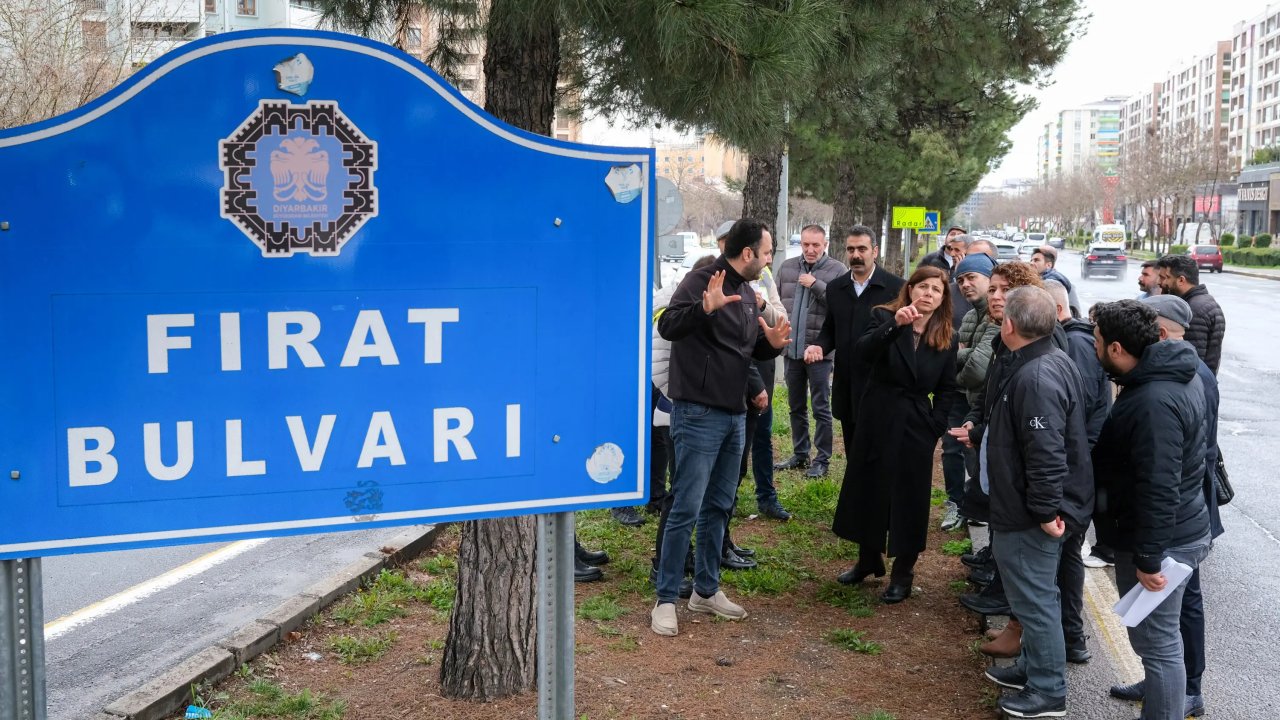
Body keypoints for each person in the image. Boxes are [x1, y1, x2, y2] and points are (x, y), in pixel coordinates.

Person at [651, 218, 791, 637]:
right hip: (698, 413)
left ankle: (706, 591)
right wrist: (703, 308)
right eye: (766, 253)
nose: (769, 261)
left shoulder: (750, 293)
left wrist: (772, 344)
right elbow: (668, 325)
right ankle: (666, 598)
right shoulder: (704, 278)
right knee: (686, 506)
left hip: (734, 415)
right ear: (747, 253)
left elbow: (743, 349)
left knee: (720, 505)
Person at [1091, 300, 1213, 720]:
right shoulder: (1172, 374)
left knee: (1159, 644)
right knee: (1156, 641)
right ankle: (1159, 695)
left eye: (1098, 339)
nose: (1093, 345)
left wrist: (1148, 556)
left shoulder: (1153, 401)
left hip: (1164, 539)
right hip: (1179, 528)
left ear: (1118, 348)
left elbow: (1159, 485)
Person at [978, 286, 1094, 719]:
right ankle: (1032, 666)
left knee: (1035, 600)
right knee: (1034, 595)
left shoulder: (1038, 375)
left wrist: (1045, 511)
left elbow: (1045, 452)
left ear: (1009, 325)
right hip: (1031, 506)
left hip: (1031, 514)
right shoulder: (1048, 360)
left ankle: (1048, 691)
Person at [830, 266, 961, 604]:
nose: (929, 293)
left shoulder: (947, 334)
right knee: (869, 487)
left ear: (944, 298)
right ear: (910, 289)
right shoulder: (884, 316)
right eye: (923, 287)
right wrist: (895, 326)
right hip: (878, 414)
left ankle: (903, 572)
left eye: (937, 289)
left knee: (910, 498)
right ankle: (867, 560)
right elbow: (862, 353)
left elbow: (947, 388)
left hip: (916, 423)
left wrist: (936, 423)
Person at [805, 226, 905, 501]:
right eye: (851, 249)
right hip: (847, 384)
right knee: (854, 450)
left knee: (880, 453)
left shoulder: (895, 287)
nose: (856, 255)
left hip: (883, 385)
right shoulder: (837, 288)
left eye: (862, 249)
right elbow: (830, 329)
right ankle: (859, 506)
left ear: (875, 251)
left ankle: (883, 505)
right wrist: (819, 345)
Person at [775, 225, 848, 481]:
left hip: (819, 353)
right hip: (791, 349)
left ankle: (822, 459)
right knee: (795, 406)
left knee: (820, 407)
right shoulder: (786, 268)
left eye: (816, 245)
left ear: (824, 244)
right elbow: (776, 303)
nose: (810, 250)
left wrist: (816, 284)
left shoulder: (837, 270)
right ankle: (800, 453)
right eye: (806, 244)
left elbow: (843, 306)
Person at [942, 252, 998, 531]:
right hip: (958, 397)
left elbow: (978, 370)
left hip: (980, 401)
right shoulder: (968, 318)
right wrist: (963, 355)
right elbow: (956, 356)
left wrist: (959, 359)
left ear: (990, 277)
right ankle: (955, 503)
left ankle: (980, 505)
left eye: (972, 277)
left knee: (979, 453)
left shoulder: (997, 315)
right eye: (961, 279)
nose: (965, 284)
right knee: (950, 450)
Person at [1155, 255, 1225, 375]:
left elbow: (1191, 361)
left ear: (1181, 280)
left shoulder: (1193, 310)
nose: (1162, 282)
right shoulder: (1203, 302)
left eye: (1167, 277)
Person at [1029, 246, 1080, 317]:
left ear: (1049, 265)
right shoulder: (1052, 276)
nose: (1031, 263)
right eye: (1031, 260)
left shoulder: (1051, 282)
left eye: (1036, 260)